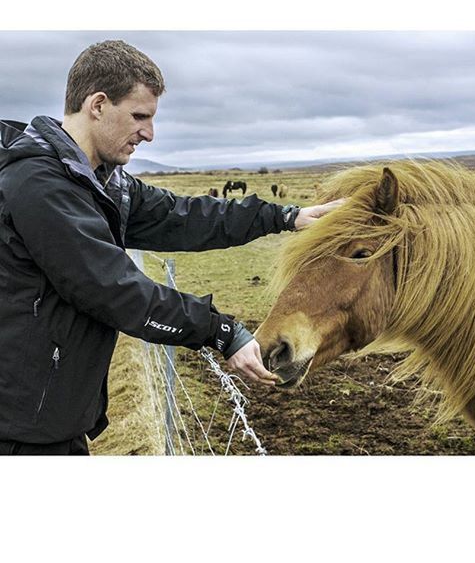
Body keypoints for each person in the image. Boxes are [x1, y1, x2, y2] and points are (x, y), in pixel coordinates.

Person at [0, 40, 342, 455]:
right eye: (139, 116)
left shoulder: (100, 181)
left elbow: (184, 215)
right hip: (20, 429)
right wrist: (220, 332)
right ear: (98, 105)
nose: (149, 133)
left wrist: (285, 217)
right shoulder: (41, 185)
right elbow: (113, 289)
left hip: (53, 416)